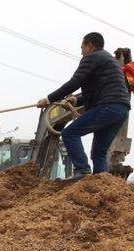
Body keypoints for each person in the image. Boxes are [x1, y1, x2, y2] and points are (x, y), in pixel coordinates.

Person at [37, 32, 131, 179]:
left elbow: (75, 82)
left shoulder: (91, 57)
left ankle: (82, 170)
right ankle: (101, 183)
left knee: (69, 133)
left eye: (82, 47)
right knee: (99, 152)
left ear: (90, 45)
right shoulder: (108, 61)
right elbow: (98, 89)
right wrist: (76, 100)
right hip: (121, 110)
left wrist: (49, 99)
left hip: (107, 106)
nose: (81, 52)